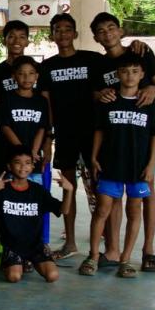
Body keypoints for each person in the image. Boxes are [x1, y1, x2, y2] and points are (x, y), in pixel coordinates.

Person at [80, 54, 155, 278]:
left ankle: (125, 259)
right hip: (110, 165)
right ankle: (92, 255)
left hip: (138, 169)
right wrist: (93, 157)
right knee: (102, 210)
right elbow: (100, 130)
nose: (130, 75)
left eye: (135, 71)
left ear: (142, 75)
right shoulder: (108, 100)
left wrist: (151, 165)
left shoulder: (149, 102)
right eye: (125, 71)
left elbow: (154, 136)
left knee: (134, 211)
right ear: (118, 74)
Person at [38, 13, 103, 260]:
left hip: (92, 134)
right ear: (51, 35)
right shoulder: (47, 66)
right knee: (68, 188)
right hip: (65, 135)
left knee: (99, 189)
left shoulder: (92, 60)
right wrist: (49, 135)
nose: (63, 34)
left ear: (75, 34)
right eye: (57, 29)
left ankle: (101, 246)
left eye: (67, 29)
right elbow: (47, 105)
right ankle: (71, 243)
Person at [0, 145, 74, 283]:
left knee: (52, 276)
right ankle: (9, 260)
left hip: (35, 245)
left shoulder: (38, 191)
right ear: (9, 166)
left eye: (28, 163)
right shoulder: (2, 190)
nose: (23, 167)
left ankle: (28, 261)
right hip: (11, 246)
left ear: (32, 166)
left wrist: (69, 190)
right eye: (17, 162)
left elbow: (64, 210)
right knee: (14, 277)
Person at [0, 56, 50, 183]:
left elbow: (42, 128)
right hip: (13, 157)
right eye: (21, 74)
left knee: (34, 194)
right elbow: (5, 126)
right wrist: (23, 151)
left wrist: (33, 151)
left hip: (33, 159)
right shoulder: (7, 99)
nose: (26, 78)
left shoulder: (41, 101)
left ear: (36, 76)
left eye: (31, 73)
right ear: (14, 76)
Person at [0, 20, 31, 99]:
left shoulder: (37, 69)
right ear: (4, 41)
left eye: (22, 37)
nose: (17, 41)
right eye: (12, 36)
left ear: (27, 42)